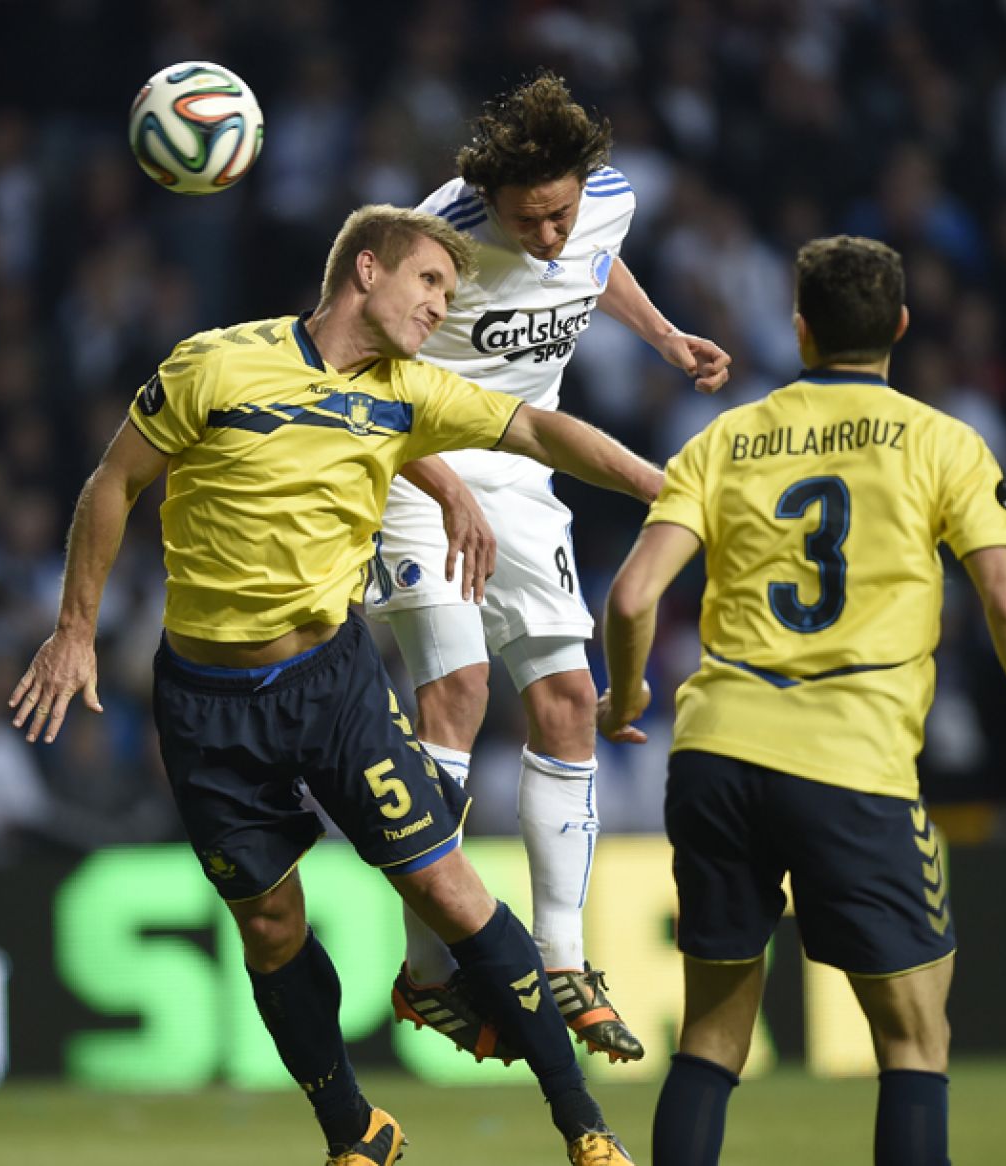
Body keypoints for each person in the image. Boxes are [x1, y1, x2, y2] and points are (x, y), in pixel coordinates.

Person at [10, 205, 653, 1166]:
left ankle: (585, 1129)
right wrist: (73, 632)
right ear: (366, 271)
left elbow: (544, 433)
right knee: (270, 927)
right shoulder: (215, 364)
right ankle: (354, 1133)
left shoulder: (410, 393)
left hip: (333, 687)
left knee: (448, 888)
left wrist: (669, 490)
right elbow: (114, 482)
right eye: (430, 282)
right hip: (204, 703)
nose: (441, 305)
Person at [596, 236, 1006, 1165]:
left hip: (715, 753)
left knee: (709, 1036)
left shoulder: (726, 437)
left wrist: (624, 694)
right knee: (912, 1040)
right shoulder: (941, 441)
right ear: (900, 326)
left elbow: (630, 595)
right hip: (850, 760)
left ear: (799, 329)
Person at [364, 74, 730, 1064]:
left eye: (560, 212)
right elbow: (361, 365)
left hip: (524, 465)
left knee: (568, 698)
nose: (550, 236)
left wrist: (658, 335)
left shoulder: (603, 206)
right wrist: (437, 483)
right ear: (488, 204)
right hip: (417, 464)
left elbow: (591, 261)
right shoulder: (431, 234)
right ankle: (425, 968)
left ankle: (562, 963)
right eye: (529, 222)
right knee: (459, 690)